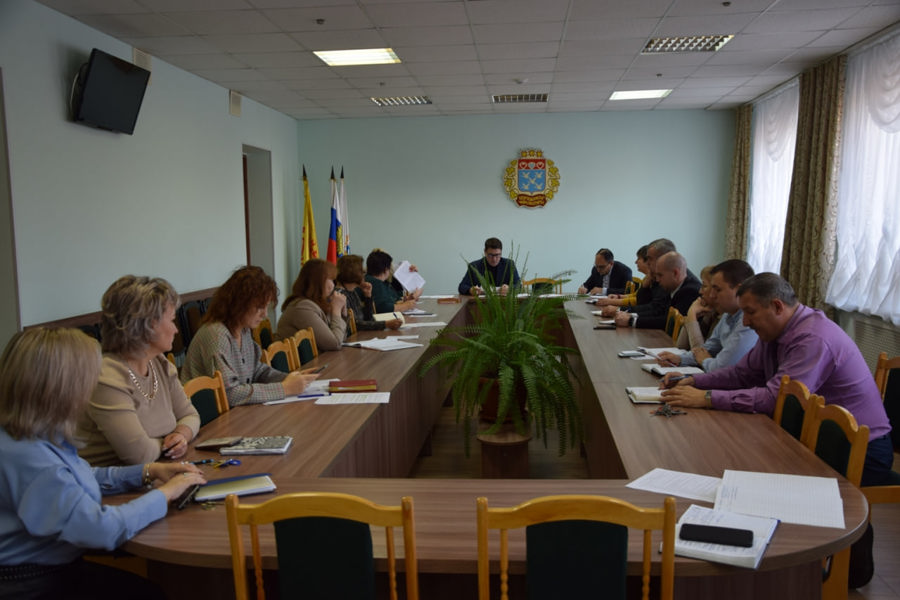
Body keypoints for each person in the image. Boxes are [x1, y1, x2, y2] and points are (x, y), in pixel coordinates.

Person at [0, 328, 206, 600]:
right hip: (34, 584)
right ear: (62, 389)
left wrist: (149, 471)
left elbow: (79, 476)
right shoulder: (36, 462)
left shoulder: (26, 436)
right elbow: (103, 530)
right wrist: (166, 493)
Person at [661, 273, 892, 486]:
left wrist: (707, 398)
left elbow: (775, 398)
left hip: (860, 451)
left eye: (750, 312)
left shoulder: (812, 338)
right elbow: (742, 373)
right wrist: (695, 381)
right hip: (819, 436)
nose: (746, 322)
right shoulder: (775, 332)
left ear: (777, 306)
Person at [76, 276, 200, 467]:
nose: (176, 330)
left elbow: (191, 416)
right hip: (113, 481)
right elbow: (138, 455)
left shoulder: (160, 364)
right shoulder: (107, 377)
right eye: (172, 320)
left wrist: (180, 435)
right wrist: (168, 444)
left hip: (157, 470)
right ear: (149, 325)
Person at [181, 266, 317, 406]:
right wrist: (284, 388)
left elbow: (257, 371)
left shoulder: (243, 329)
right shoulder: (216, 335)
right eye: (260, 307)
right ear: (240, 304)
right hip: (210, 416)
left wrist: (289, 379)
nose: (265, 314)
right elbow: (230, 394)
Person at [657, 259, 757, 372]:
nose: (712, 295)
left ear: (739, 290)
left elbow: (721, 368)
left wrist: (704, 360)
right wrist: (680, 359)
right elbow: (706, 349)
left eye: (718, 290)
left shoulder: (748, 322)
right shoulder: (728, 315)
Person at [275, 258, 347, 352]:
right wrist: (336, 311)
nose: (333, 285)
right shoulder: (303, 307)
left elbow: (342, 337)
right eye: (330, 279)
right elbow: (334, 343)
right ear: (318, 282)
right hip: (302, 362)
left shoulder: (319, 303)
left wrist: (342, 313)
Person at [614, 251, 700, 329]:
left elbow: (668, 321)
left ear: (675, 273)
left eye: (660, 275)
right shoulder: (672, 284)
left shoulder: (690, 291)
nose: (658, 280)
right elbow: (655, 309)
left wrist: (631, 320)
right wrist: (645, 287)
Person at [335, 255, 402, 332]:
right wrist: (386, 324)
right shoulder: (339, 295)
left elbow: (369, 318)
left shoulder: (352, 291)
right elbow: (355, 325)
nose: (364, 273)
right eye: (360, 270)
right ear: (352, 273)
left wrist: (368, 297)